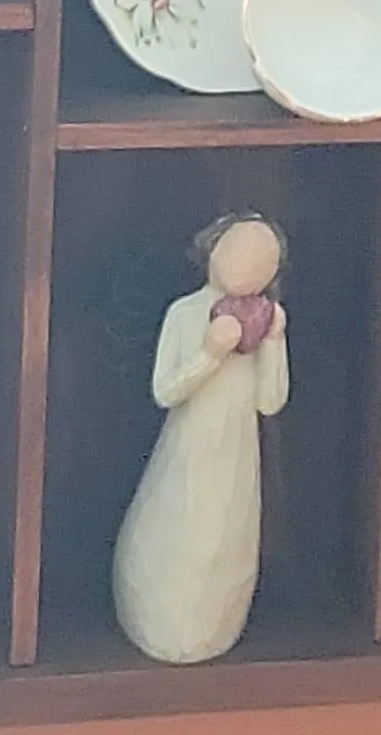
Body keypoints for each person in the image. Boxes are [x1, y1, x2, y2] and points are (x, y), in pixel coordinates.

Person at [111, 215, 290, 665]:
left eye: (262, 259)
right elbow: (165, 391)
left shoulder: (262, 320)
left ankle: (214, 628)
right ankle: (155, 622)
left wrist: (273, 342)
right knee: (179, 527)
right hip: (189, 449)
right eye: (238, 250)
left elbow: (270, 401)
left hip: (237, 456)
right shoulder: (185, 313)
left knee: (226, 539)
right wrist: (210, 354)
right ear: (212, 248)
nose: (248, 265)